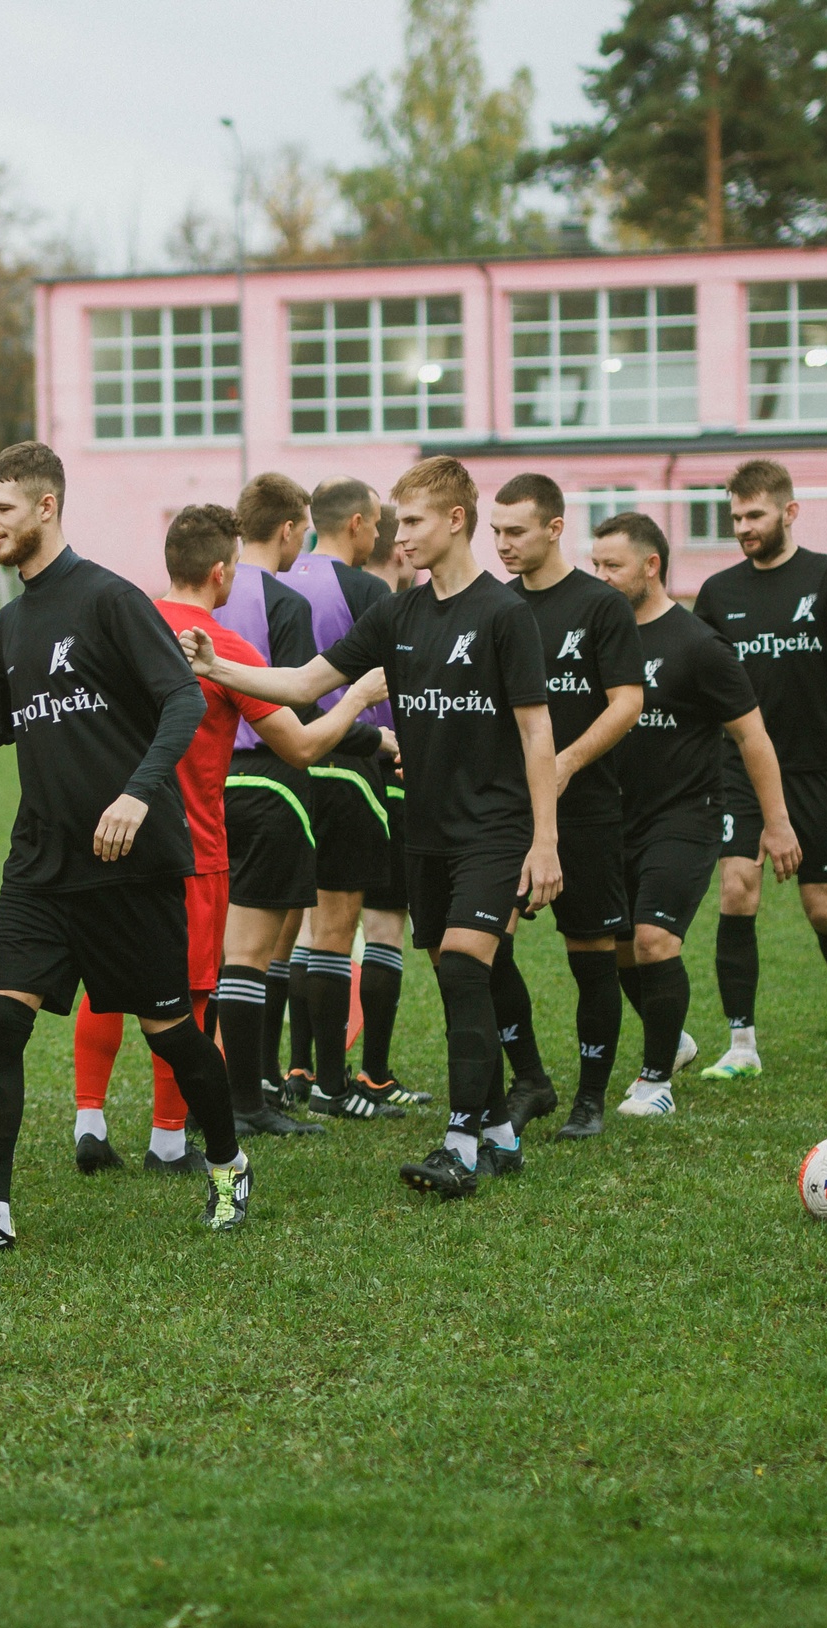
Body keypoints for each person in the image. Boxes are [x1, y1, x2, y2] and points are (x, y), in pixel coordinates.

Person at [0, 441, 263, 1252]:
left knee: (170, 1029)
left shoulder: (109, 599)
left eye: (0, 510)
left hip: (129, 861)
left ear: (46, 508)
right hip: (41, 860)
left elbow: (180, 699)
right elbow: (7, 714)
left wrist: (137, 794)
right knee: (2, 1023)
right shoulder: (15, 621)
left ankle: (229, 1162)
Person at [198, 456, 559, 1199]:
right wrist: (221, 669)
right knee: (461, 970)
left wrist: (545, 839)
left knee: (462, 963)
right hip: (422, 828)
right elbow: (303, 685)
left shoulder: (503, 614)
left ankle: (460, 1142)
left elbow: (536, 733)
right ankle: (497, 1127)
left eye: (417, 521)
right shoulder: (398, 614)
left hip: (494, 828)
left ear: (456, 520)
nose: (402, 538)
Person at [91, 503, 388, 1166]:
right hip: (196, 837)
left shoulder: (120, 630)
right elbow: (304, 744)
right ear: (221, 574)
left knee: (111, 981)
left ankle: (95, 1122)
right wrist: (363, 704)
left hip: (112, 832)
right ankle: (208, 1119)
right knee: (211, 980)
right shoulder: (222, 646)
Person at [589, 513, 801, 1115]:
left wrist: (776, 821)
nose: (600, 577)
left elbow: (753, 738)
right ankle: (673, 1039)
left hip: (685, 817)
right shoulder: (599, 640)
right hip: (612, 817)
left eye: (613, 566)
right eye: (595, 565)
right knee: (620, 946)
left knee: (656, 939)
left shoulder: (698, 645)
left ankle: (656, 1084)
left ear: (651, 567)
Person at [695, 459, 827, 1075]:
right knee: (736, 889)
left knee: (823, 907)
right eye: (736, 517)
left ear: (789, 512)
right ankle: (742, 1045)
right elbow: (695, 685)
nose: (744, 527)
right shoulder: (718, 593)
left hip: (816, 767)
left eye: (755, 515)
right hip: (740, 769)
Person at [490, 475, 644, 1140]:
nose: (502, 544)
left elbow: (628, 701)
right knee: (484, 945)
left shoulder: (600, 605)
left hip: (586, 812)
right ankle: (530, 1078)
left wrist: (568, 762)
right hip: (502, 813)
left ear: (555, 528)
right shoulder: (494, 606)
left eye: (515, 531)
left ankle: (589, 1098)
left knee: (591, 953)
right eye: (495, 532)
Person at [280, 476, 409, 1121]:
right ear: (357, 523)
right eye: (381, 523)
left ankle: (298, 1068)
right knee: (340, 931)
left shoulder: (278, 579)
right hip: (351, 762)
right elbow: (388, 682)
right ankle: (342, 1084)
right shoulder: (368, 591)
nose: (385, 535)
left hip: (284, 768)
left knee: (298, 932)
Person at [209, 474, 334, 1132]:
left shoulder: (194, 596)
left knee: (212, 951)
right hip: (271, 776)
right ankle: (248, 1100)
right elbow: (299, 698)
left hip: (200, 785)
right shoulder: (284, 602)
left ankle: (207, 1098)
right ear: (287, 529)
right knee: (253, 954)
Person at [350, 501, 426, 1110]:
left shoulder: (338, 596)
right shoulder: (395, 613)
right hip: (392, 775)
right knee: (383, 927)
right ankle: (372, 1072)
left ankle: (301, 1070)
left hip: (336, 772)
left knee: (315, 931)